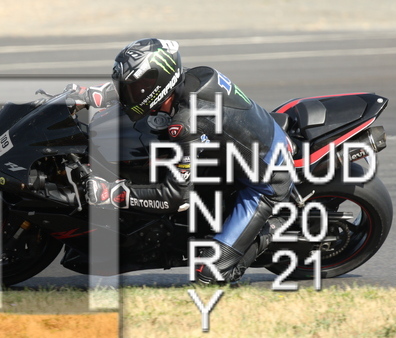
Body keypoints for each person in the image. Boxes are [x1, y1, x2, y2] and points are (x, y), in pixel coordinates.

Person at [66, 38, 293, 285]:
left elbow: (175, 198)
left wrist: (112, 194)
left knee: (207, 276)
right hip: (246, 149)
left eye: (133, 87)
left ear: (158, 83)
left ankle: (273, 227)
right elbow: (147, 86)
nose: (128, 93)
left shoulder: (187, 123)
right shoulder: (191, 77)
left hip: (268, 180)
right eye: (126, 87)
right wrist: (93, 94)